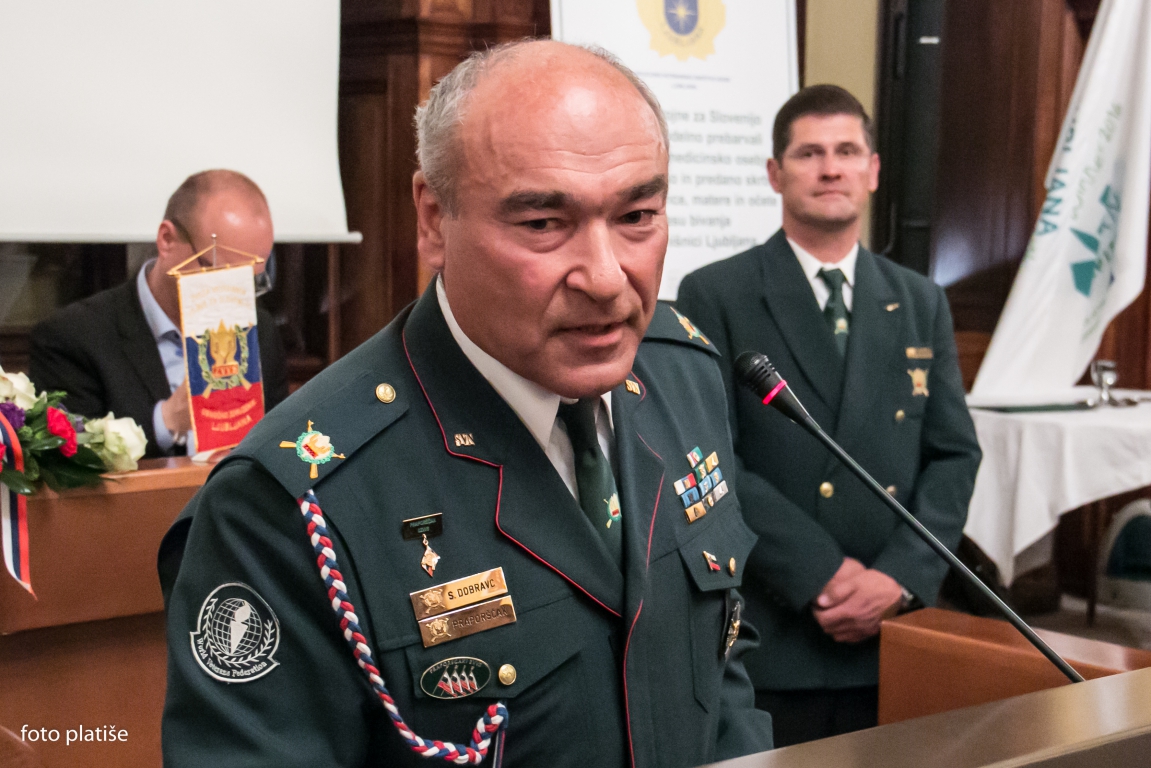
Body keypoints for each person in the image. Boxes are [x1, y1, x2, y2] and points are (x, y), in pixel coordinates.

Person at [157, 41, 773, 767]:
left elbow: (720, 660)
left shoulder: (681, 372)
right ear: (432, 219)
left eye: (637, 215)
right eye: (543, 225)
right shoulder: (290, 501)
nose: (607, 278)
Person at [677, 85, 981, 746]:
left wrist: (898, 577)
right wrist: (820, 572)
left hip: (893, 628)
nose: (830, 168)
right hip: (776, 628)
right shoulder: (715, 292)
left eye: (846, 151)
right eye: (809, 153)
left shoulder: (918, 299)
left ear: (872, 170)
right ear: (774, 173)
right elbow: (706, 457)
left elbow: (953, 453)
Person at [29, 170, 289, 458]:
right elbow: (71, 460)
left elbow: (279, 447)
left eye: (248, 280)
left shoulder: (259, 330)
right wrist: (167, 420)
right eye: (219, 273)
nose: (231, 294)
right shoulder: (74, 337)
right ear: (167, 240)